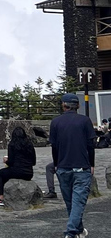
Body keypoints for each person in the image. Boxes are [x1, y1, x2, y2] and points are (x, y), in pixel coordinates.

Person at [50, 93, 95, 238]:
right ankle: (71, 232)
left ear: (63, 105)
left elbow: (54, 146)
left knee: (70, 202)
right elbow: (90, 145)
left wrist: (56, 164)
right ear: (78, 106)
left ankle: (77, 231)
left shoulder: (56, 122)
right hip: (82, 166)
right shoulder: (85, 121)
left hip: (63, 166)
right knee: (78, 202)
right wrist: (92, 164)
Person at [0, 126, 36, 206]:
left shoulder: (12, 145)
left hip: (17, 171)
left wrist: (6, 161)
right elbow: (33, 162)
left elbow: (11, 162)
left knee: (1, 173)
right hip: (29, 173)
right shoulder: (29, 144)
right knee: (7, 172)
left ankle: (1, 196)